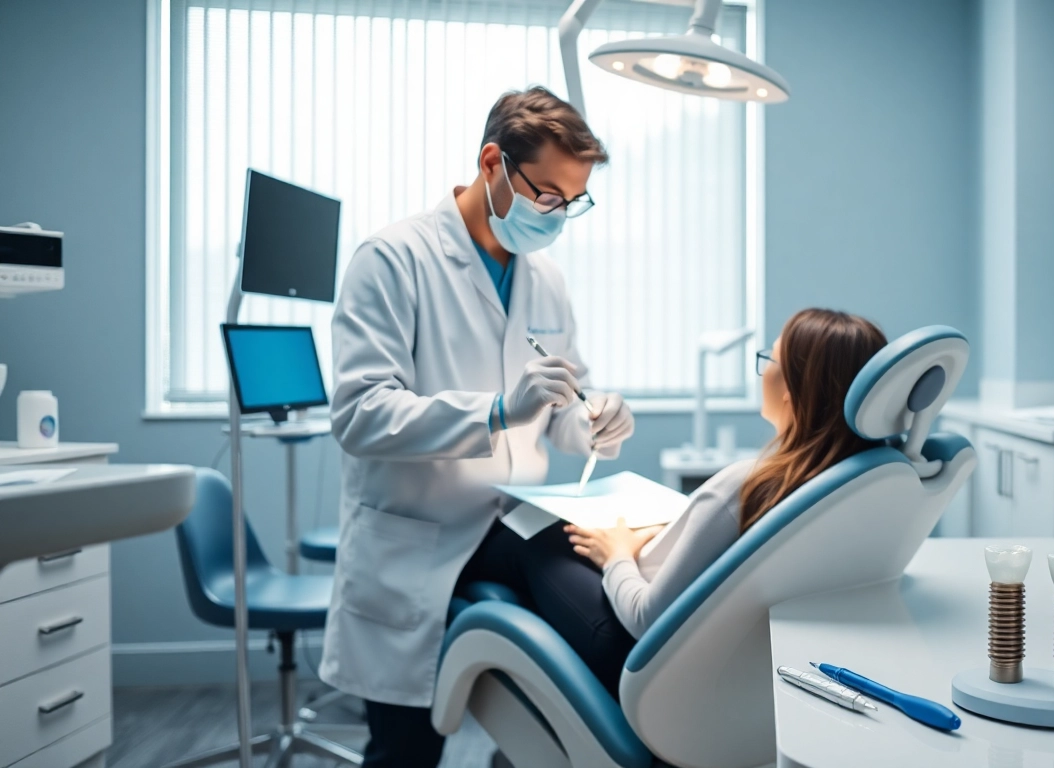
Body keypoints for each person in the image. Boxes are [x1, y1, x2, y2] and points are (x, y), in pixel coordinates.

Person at [319, 87, 636, 768]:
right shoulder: (392, 259)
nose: (555, 214)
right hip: (417, 537)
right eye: (545, 193)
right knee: (404, 754)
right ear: (492, 161)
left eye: (570, 201)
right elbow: (359, 413)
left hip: (509, 522)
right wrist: (494, 412)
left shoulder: (544, 278)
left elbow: (560, 404)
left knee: (597, 651)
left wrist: (594, 422)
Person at [457, 308, 888, 693]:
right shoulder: (841, 482)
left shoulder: (743, 488)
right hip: (714, 657)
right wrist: (659, 537)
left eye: (769, 360)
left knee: (532, 531)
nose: (762, 372)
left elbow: (646, 619)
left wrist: (618, 555)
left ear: (795, 390)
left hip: (630, 654)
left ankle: (462, 582)